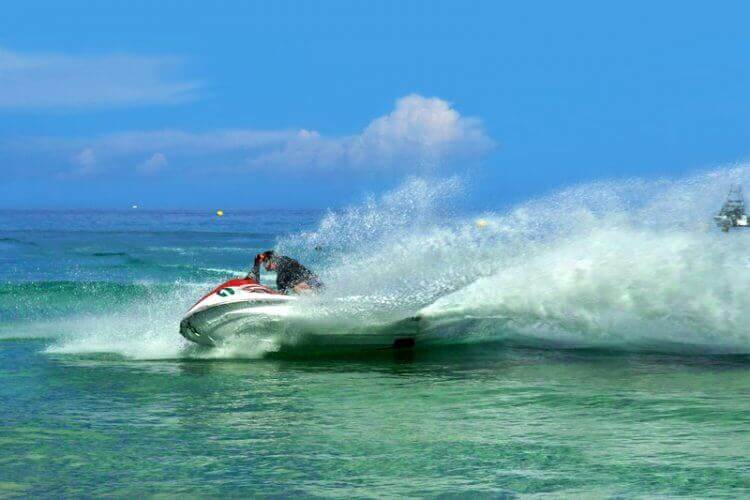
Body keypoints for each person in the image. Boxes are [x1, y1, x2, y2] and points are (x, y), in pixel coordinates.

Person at [248, 250, 323, 294]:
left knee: (296, 288)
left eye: (264, 263)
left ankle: (316, 303)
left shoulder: (281, 274)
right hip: (316, 282)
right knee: (294, 287)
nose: (263, 266)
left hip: (313, 284)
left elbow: (280, 296)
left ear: (270, 261)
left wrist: (260, 291)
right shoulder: (284, 260)